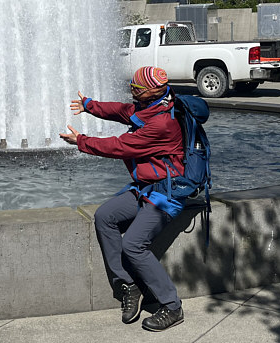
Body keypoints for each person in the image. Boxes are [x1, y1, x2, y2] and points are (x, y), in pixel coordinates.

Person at [59, 66, 185, 332]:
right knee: (105, 217)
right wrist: (90, 105)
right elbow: (122, 111)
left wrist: (81, 141)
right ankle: (130, 285)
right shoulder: (150, 106)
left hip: (166, 193)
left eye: (136, 87)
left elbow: (120, 147)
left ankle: (172, 306)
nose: (132, 89)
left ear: (151, 91)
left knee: (134, 245)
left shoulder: (161, 123)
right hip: (146, 187)